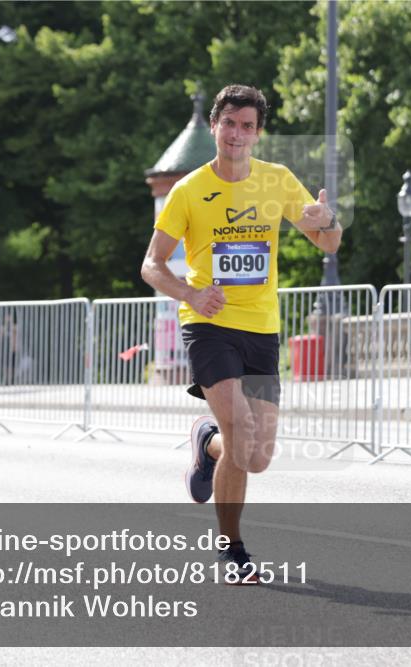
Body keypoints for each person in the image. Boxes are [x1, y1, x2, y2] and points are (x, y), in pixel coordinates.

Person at [140, 84, 342, 583]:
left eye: (247, 125)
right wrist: (189, 294)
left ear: (257, 133)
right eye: (229, 123)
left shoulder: (276, 180)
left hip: (261, 329)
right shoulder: (188, 190)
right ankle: (231, 550)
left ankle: (206, 441)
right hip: (209, 326)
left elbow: (328, 243)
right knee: (241, 430)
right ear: (215, 125)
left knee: (257, 456)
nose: (236, 134)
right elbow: (152, 265)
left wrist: (328, 219)